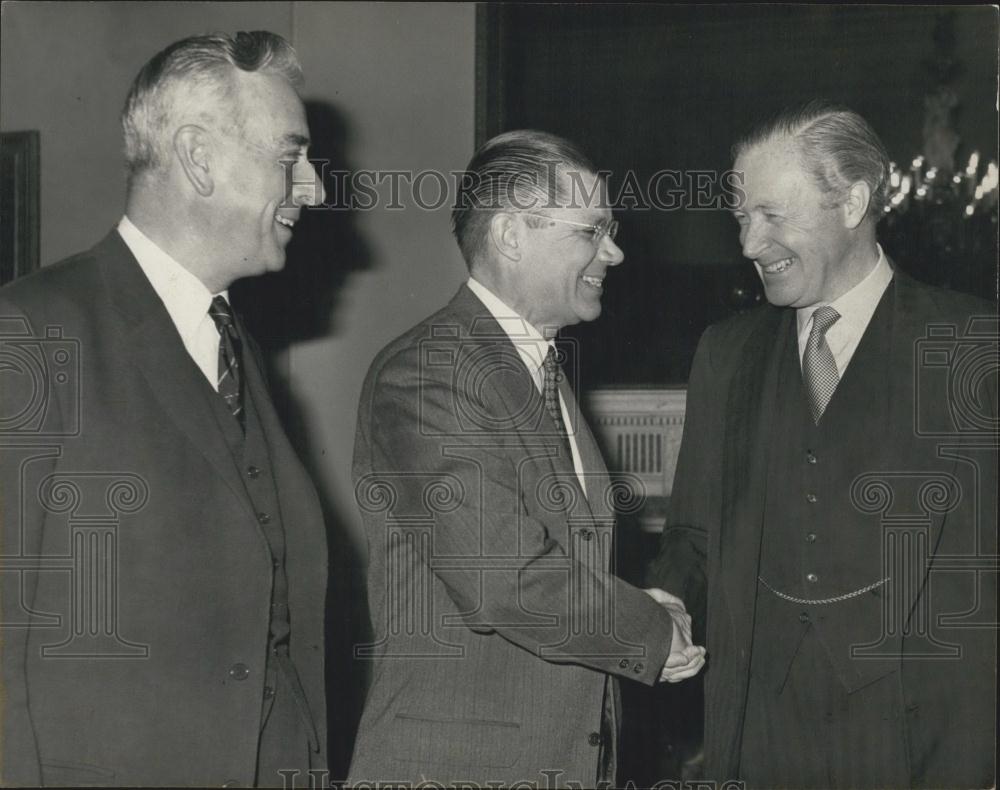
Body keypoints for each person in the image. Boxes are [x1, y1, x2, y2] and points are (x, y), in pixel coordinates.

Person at [1, 32, 328, 787]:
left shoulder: (235, 344)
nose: (311, 188)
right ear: (199, 157)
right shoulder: (31, 330)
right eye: (289, 157)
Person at [647, 101, 997, 788]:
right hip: (760, 734)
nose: (750, 243)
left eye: (773, 215)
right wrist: (662, 607)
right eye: (741, 217)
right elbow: (692, 534)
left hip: (931, 739)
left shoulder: (972, 345)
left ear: (853, 201)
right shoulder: (726, 354)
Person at [348, 130, 706, 787]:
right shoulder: (429, 371)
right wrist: (649, 629)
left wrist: (637, 602)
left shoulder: (537, 371)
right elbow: (503, 578)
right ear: (512, 233)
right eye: (593, 230)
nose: (615, 252)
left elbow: (553, 562)